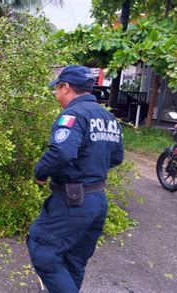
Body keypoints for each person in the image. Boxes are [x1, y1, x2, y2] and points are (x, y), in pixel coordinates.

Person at [26, 65, 124, 293]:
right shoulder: (108, 117)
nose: (55, 94)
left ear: (66, 87)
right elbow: (117, 157)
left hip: (72, 201)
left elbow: (61, 152)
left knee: (43, 252)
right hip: (97, 201)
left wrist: (40, 173)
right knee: (74, 261)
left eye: (57, 89)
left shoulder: (73, 115)